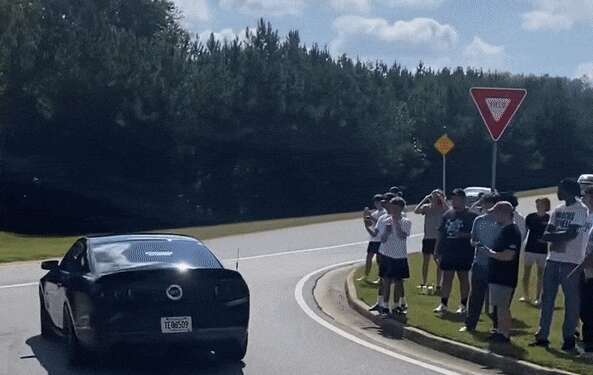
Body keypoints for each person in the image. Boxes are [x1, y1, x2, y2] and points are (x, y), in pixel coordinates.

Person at [531, 179, 589, 352]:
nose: (558, 192)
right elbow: (547, 231)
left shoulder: (581, 210)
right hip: (553, 258)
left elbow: (570, 234)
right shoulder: (558, 209)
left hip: (571, 262)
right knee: (546, 299)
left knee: (571, 302)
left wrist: (553, 235)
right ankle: (542, 336)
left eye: (560, 189)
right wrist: (555, 235)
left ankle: (569, 338)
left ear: (569, 191)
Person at [460, 193, 501, 332]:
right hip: (479, 263)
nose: (483, 206)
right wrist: (475, 243)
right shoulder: (478, 220)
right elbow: (472, 239)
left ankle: (497, 327)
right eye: (483, 204)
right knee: (476, 295)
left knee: (496, 298)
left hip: (496, 264)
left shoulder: (501, 221)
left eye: (486, 203)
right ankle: (470, 324)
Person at [483, 201, 523, 343]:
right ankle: (499, 330)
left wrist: (489, 253)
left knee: (503, 307)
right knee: (499, 307)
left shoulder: (512, 231)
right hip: (496, 275)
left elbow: (508, 255)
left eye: (496, 213)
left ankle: (504, 334)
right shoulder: (504, 230)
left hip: (505, 276)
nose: (494, 216)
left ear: (504, 213)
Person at [434, 188, 478, 314]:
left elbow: (475, 235)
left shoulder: (471, 216)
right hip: (448, 251)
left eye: (457, 199)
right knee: (446, 277)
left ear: (463, 200)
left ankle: (463, 305)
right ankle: (443, 304)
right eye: (453, 199)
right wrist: (436, 249)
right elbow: (441, 233)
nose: (454, 202)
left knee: (463, 278)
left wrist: (463, 235)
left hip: (464, 252)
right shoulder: (447, 214)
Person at [378, 197, 412, 317]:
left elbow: (403, 236)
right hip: (387, 255)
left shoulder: (406, 221)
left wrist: (396, 223)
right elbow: (381, 239)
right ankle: (385, 305)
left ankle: (396, 305)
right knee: (386, 281)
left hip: (399, 256)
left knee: (398, 282)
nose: (391, 209)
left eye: (393, 207)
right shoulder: (385, 220)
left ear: (399, 208)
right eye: (390, 206)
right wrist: (386, 232)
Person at [366, 193, 396, 313]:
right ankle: (380, 303)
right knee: (383, 278)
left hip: (394, 253)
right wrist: (366, 224)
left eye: (386, 202)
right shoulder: (383, 218)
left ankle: (395, 306)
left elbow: (402, 235)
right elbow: (375, 234)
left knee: (395, 281)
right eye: (383, 202)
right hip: (383, 250)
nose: (384, 204)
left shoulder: (400, 217)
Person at [414, 190, 449, 293]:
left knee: (439, 262)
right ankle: (424, 282)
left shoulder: (443, 208)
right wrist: (425, 199)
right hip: (428, 238)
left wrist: (442, 199)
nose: (435, 198)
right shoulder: (427, 207)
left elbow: (449, 209)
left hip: (439, 238)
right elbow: (416, 210)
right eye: (434, 196)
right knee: (425, 261)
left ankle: (439, 284)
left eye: (437, 196)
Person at [520, 198, 551, 305]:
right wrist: (520, 245)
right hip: (530, 248)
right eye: (537, 204)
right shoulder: (530, 217)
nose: (538, 206)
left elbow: (551, 233)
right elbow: (525, 232)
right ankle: (525, 295)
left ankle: (538, 297)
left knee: (541, 274)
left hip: (543, 250)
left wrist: (545, 239)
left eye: (541, 204)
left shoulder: (549, 218)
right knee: (526, 273)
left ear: (546, 205)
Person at [360, 194, 387, 283]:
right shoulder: (375, 213)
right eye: (375, 202)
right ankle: (366, 275)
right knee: (369, 257)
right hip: (373, 239)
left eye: (378, 202)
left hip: (380, 239)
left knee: (379, 260)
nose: (377, 204)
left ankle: (381, 278)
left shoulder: (384, 212)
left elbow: (379, 223)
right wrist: (365, 217)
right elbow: (370, 224)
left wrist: (370, 216)